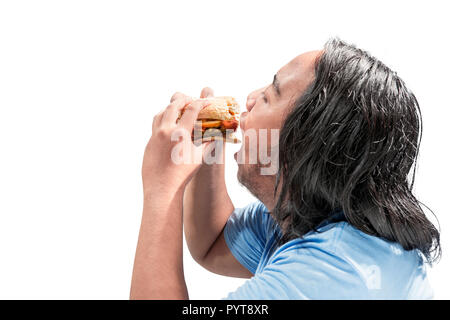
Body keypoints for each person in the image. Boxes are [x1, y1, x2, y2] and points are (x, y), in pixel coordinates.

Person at [130, 38, 440, 299]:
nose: (249, 99)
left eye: (268, 96)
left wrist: (161, 188)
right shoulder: (312, 215)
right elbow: (212, 242)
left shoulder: (332, 271)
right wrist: (212, 139)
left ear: (303, 145)